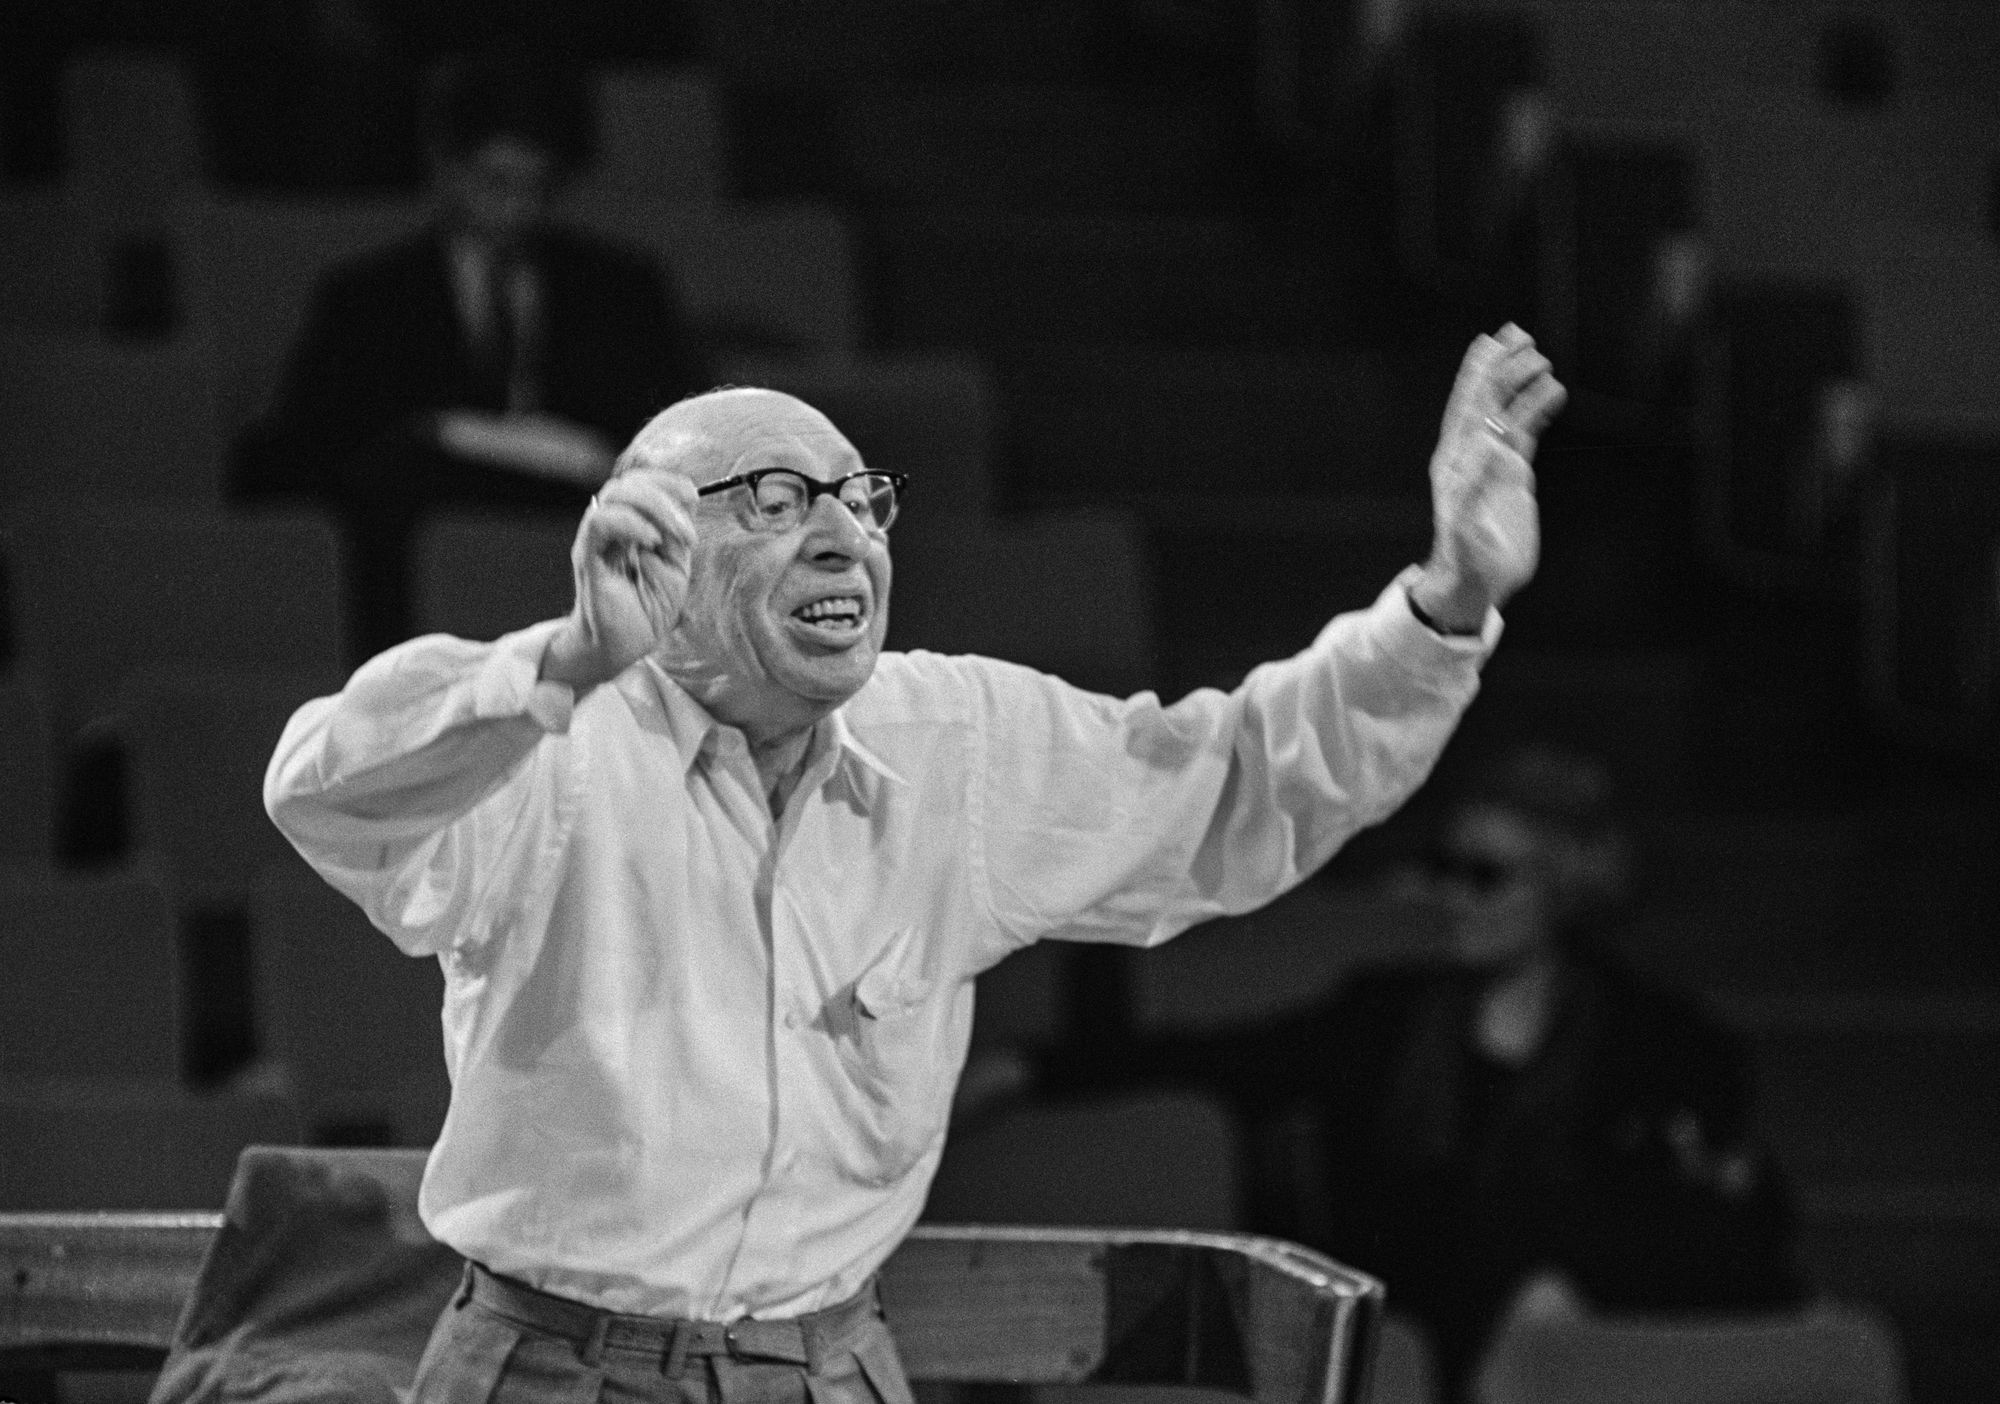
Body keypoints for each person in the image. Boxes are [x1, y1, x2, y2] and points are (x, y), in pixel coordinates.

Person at [262, 325, 1564, 1403]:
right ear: (654, 549)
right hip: (552, 1372)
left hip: (833, 1369)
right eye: (777, 504)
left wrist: (1447, 600)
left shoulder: (955, 741)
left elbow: (1243, 783)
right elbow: (328, 790)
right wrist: (556, 665)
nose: (844, 539)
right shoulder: (552, 751)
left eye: (859, 501)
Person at [1013, 742, 1804, 1399]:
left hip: (1581, 1321)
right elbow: (1225, 1058)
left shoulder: (1657, 1035)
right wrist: (1028, 1066)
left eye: (1487, 877)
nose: (1455, 898)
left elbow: (1717, 1214)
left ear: (1560, 889)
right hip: (1414, 1298)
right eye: (1445, 868)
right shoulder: (1387, 1013)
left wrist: (1552, 1283)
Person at [229, 47, 708, 657]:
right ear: (450, 170)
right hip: (410, 581)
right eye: (495, 181)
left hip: (578, 570)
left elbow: (673, 432)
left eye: (536, 187)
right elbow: (306, 448)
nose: (516, 207)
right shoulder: (368, 297)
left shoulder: (621, 291)